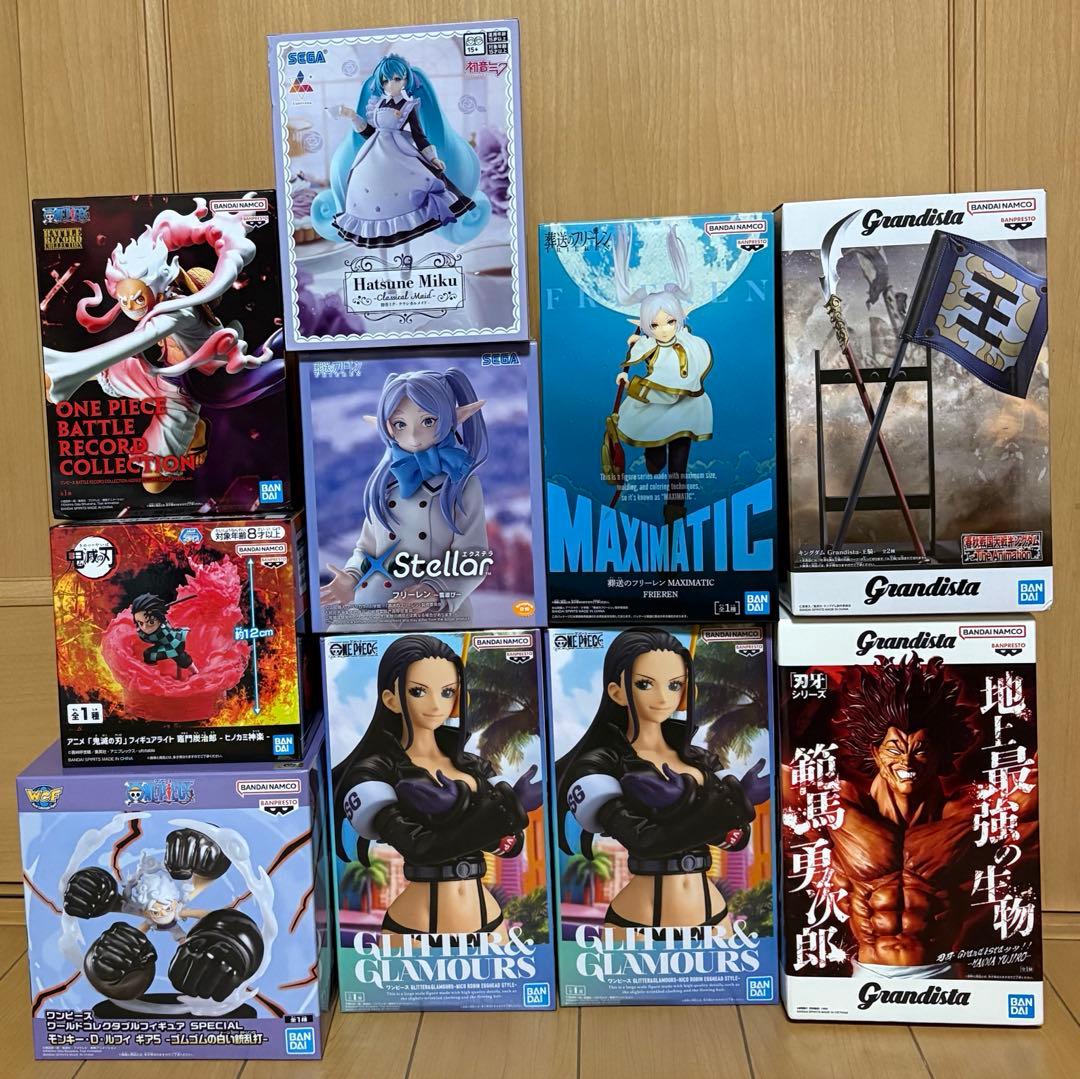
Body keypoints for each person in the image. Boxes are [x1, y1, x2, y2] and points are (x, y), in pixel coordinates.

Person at [556, 628, 768, 929]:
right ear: (617, 692)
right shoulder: (600, 763)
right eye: (644, 684)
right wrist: (712, 805)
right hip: (638, 922)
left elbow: (737, 838)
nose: (662, 698)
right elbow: (644, 841)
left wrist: (698, 805)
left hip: (715, 916)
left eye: (674, 685)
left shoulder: (701, 759)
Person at [332, 635, 541, 939]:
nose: (435, 705)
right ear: (391, 699)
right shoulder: (376, 771)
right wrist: (486, 810)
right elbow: (421, 848)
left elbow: (513, 846)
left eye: (447, 692)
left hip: (490, 922)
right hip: (415, 930)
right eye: (418, 691)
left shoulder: (474, 765)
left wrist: (479, 813)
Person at [320, 368, 489, 622]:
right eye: (400, 424)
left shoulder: (462, 485)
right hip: (370, 608)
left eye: (428, 421)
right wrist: (352, 575)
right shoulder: (385, 483)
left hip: (434, 615)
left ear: (449, 419)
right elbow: (367, 548)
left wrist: (433, 590)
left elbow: (473, 556)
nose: (413, 436)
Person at [314, 54, 487, 249]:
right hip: (372, 156)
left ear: (406, 80)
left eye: (397, 79)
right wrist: (353, 116)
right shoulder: (377, 104)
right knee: (372, 198)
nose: (391, 84)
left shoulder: (408, 106)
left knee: (403, 196)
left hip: (399, 155)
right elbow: (369, 133)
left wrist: (432, 158)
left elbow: (419, 135)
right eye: (385, 80)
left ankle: (405, 246)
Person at [612, 225, 714, 525]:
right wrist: (625, 375)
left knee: (678, 466)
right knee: (656, 461)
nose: (664, 329)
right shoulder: (648, 343)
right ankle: (653, 453)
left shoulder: (690, 341)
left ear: (679, 319)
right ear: (646, 326)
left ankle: (675, 514)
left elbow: (696, 361)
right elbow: (636, 355)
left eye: (670, 322)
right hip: (655, 404)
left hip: (686, 407)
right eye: (655, 325)